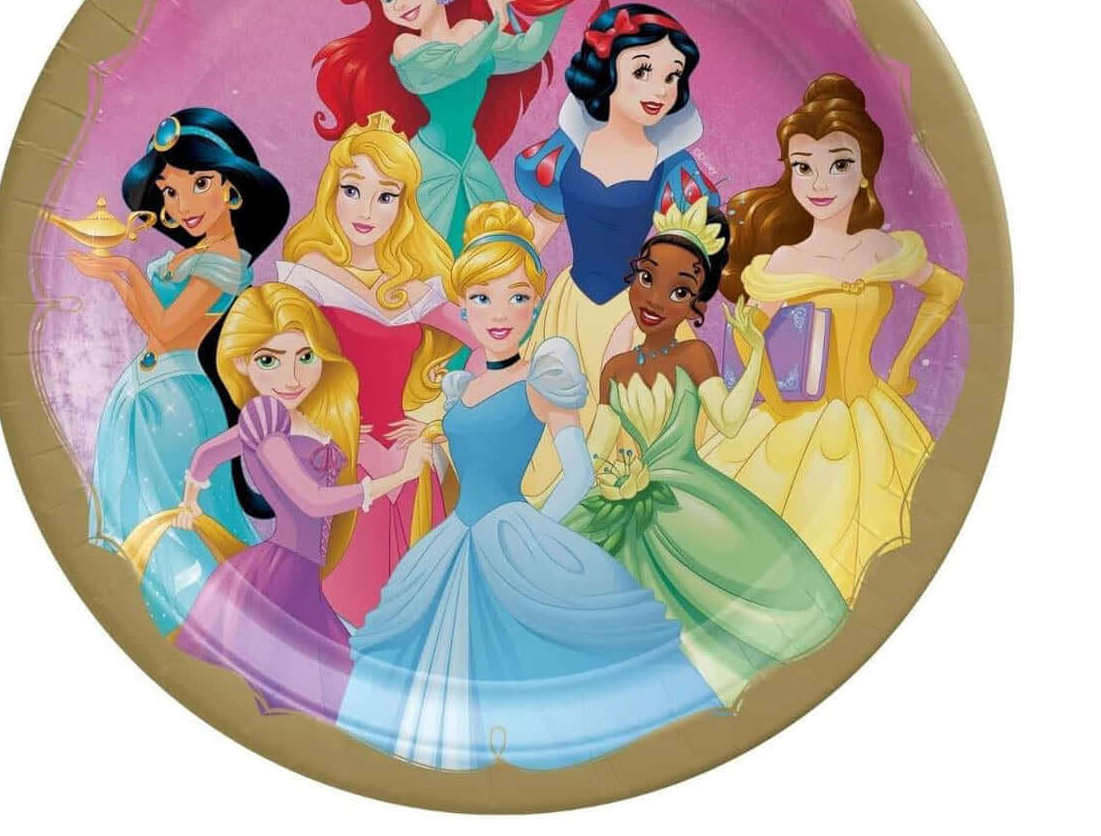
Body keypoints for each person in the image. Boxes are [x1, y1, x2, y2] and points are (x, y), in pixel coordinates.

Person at [336, 203, 722, 770]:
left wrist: (535, 529)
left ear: (537, 302)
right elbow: (454, 472)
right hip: (456, 538)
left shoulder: (542, 377)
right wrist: (425, 454)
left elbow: (578, 473)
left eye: (516, 297)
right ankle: (451, 766)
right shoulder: (459, 387)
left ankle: (532, 762)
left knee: (527, 655)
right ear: (462, 306)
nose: (499, 313)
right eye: (482, 298)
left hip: (513, 532)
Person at [565, 201, 848, 705]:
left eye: (678, 291)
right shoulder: (616, 369)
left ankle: (685, 696)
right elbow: (593, 450)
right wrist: (555, 498)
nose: (654, 299)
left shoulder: (694, 355)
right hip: (622, 497)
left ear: (696, 305)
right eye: (646, 279)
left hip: (688, 496)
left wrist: (755, 354)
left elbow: (730, 420)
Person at [701, 74, 964, 602]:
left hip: (873, 419)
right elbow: (750, 340)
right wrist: (774, 388)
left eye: (839, 164)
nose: (819, 182)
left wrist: (903, 363)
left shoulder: (879, 249)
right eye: (803, 167)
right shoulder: (782, 262)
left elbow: (946, 290)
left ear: (866, 172)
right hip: (796, 422)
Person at [67, 108, 289, 633]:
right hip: (145, 392)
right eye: (169, 191)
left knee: (178, 521)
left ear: (233, 189)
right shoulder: (199, 253)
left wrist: (122, 271)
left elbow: (166, 330)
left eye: (199, 184)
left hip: (177, 402)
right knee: (139, 513)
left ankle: (202, 624)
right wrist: (121, 274)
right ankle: (159, 619)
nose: (181, 205)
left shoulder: (226, 259)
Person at [169, 284, 432, 718]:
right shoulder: (265, 422)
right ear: (242, 363)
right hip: (281, 576)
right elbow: (312, 501)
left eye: (305, 357)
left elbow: (207, 455)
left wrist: (191, 497)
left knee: (309, 686)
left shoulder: (294, 417)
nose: (291, 377)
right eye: (269, 360)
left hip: (304, 573)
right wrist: (398, 477)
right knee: (290, 689)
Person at [515, 2, 719, 503]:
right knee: (552, 429)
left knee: (631, 439)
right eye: (643, 71)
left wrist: (646, 321)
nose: (660, 90)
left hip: (642, 311)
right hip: (569, 308)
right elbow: (540, 229)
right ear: (606, 70)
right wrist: (502, 280)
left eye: (672, 76)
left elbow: (684, 256)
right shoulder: (565, 151)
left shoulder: (672, 167)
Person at [277, 112, 471, 627]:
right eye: (352, 190)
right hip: (336, 450)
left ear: (404, 207)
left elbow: (495, 343)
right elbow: (272, 366)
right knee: (346, 599)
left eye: (386, 196)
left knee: (416, 602)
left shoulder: (413, 286)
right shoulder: (307, 277)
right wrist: (326, 430)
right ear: (331, 192)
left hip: (407, 454)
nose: (366, 210)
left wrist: (439, 422)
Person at [313, 0, 612, 248]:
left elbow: (529, 51)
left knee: (494, 252)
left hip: (470, 162)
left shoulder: (472, 30)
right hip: (427, 166)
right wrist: (494, 25)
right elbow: (455, 65)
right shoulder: (407, 46)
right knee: (420, 254)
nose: (400, 2)